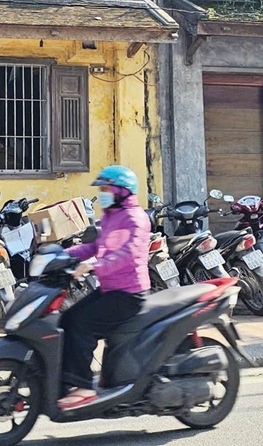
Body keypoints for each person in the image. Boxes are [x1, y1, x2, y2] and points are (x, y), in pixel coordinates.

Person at [57, 165, 151, 410]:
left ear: (122, 191)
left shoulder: (136, 218)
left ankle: (84, 387)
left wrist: (93, 266)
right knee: (67, 318)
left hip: (129, 293)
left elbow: (127, 253)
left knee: (81, 325)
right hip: (111, 289)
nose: (102, 194)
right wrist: (61, 255)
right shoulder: (110, 216)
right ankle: (66, 381)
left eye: (106, 189)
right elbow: (94, 246)